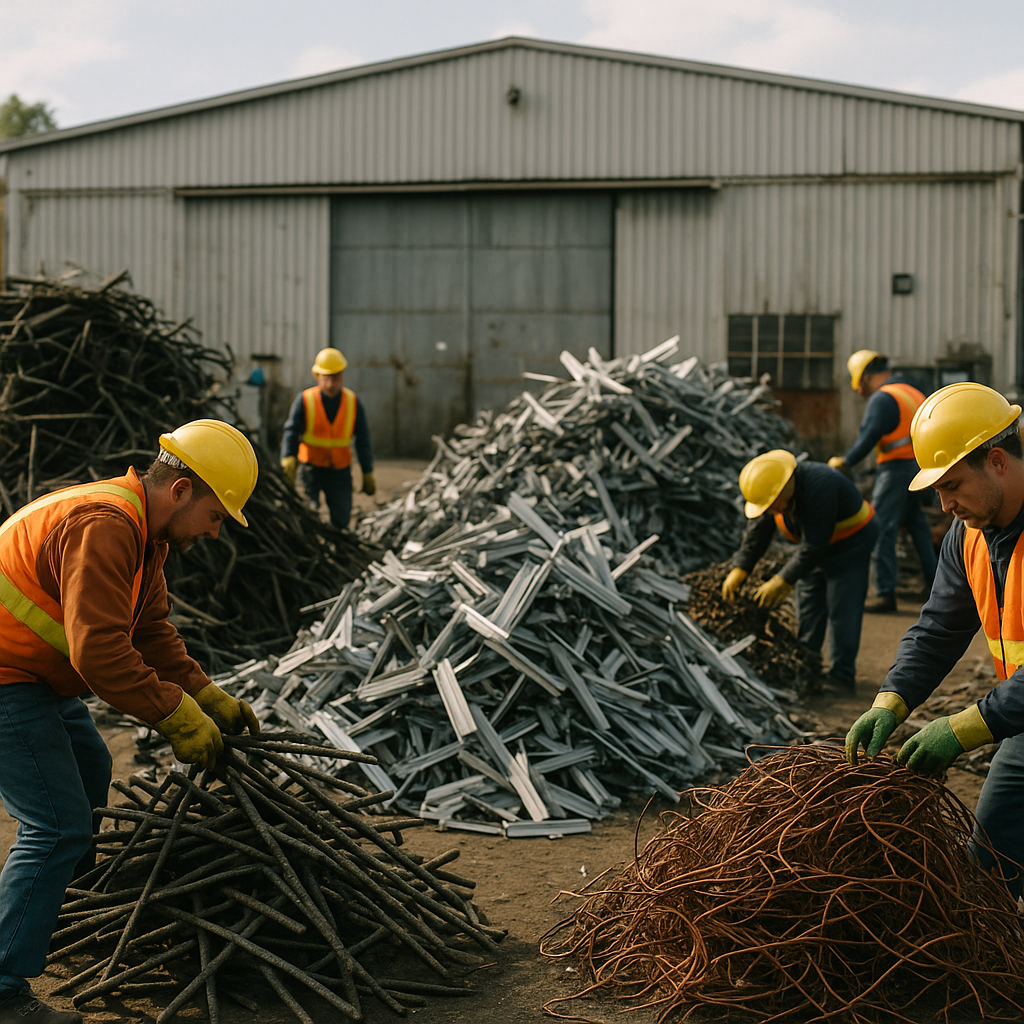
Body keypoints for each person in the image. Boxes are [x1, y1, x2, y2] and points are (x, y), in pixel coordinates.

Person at [0, 419, 261, 1024]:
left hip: (34, 674)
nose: (216, 533)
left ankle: (60, 919)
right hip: (7, 675)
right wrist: (175, 717)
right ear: (181, 491)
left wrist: (205, 693)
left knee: (92, 773)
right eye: (217, 516)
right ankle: (5, 986)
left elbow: (149, 632)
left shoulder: (147, 536)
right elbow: (100, 654)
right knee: (58, 822)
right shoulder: (107, 526)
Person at [846, 382, 1024, 897]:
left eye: (951, 485)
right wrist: (891, 700)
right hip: (1022, 720)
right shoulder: (968, 536)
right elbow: (939, 627)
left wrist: (968, 727)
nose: (944, 504)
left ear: (997, 462)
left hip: (1012, 714)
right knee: (990, 867)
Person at [721, 450, 879, 692]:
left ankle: (842, 677)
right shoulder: (774, 498)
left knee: (842, 607)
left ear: (785, 488)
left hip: (851, 544)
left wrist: (781, 581)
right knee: (808, 603)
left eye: (772, 505)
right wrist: (740, 568)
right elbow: (757, 534)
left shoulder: (820, 485)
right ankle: (809, 666)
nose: (771, 510)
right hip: (815, 548)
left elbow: (814, 546)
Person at [828, 350, 937, 613]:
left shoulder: (882, 398)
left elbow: (869, 436)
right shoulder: (911, 391)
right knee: (917, 525)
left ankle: (885, 594)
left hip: (896, 469)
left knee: (881, 527)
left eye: (858, 384)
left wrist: (846, 462)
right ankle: (937, 587)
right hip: (919, 467)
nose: (858, 392)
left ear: (865, 378)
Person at [279, 347, 375, 530]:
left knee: (341, 519)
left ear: (343, 376)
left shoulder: (353, 402)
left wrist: (367, 471)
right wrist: (288, 458)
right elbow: (291, 432)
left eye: (336, 377)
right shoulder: (305, 400)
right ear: (317, 376)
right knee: (307, 515)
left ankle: (338, 550)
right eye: (327, 378)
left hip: (339, 472)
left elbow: (363, 440)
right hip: (310, 470)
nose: (331, 384)